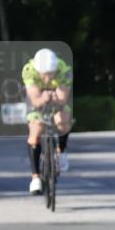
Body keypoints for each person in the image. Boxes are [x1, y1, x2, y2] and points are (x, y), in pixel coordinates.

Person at [22, 48, 73, 194]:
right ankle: (36, 177)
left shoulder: (64, 70)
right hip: (37, 99)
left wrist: (56, 99)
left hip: (58, 98)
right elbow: (35, 100)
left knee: (63, 121)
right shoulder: (29, 70)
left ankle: (61, 150)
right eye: (44, 75)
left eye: (51, 74)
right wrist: (43, 98)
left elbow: (63, 99)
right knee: (36, 131)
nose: (47, 79)